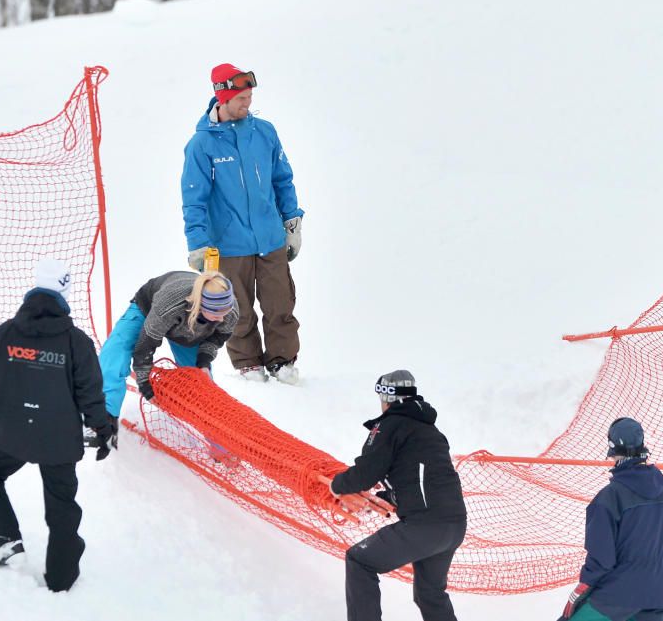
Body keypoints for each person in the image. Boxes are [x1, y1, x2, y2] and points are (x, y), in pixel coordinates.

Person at [0, 258, 113, 592]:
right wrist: (102, 430)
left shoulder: (6, 333)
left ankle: (5, 540)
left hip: (10, 433)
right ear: (65, 297)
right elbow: (90, 392)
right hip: (58, 440)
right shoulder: (76, 341)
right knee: (61, 506)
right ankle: (61, 580)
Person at [181, 63, 304, 384]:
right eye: (240, 99)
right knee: (238, 310)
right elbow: (194, 199)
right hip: (229, 245)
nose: (247, 104)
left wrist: (292, 222)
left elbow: (282, 180)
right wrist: (197, 243)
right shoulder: (202, 145)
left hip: (270, 238)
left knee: (281, 304)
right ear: (221, 98)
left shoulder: (264, 132)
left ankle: (282, 362)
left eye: (249, 97)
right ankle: (249, 364)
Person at [331, 370, 467, 621]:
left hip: (425, 526)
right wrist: (392, 496)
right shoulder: (431, 431)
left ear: (387, 397)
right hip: (454, 526)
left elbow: (365, 473)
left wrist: (336, 484)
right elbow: (424, 476)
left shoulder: (389, 426)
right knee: (430, 593)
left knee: (359, 561)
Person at [556, 418, 663, 621]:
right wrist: (654, 577)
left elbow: (602, 560)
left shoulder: (609, 499)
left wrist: (582, 589)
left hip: (616, 596)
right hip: (658, 594)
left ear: (613, 449)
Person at [97, 270, 238, 419]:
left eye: (225, 313)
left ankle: (212, 428)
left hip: (187, 330)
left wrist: (203, 361)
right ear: (202, 306)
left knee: (198, 380)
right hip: (148, 309)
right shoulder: (172, 304)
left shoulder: (229, 310)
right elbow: (146, 344)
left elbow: (216, 338)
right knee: (115, 353)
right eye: (217, 315)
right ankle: (103, 420)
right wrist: (144, 382)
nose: (222, 319)